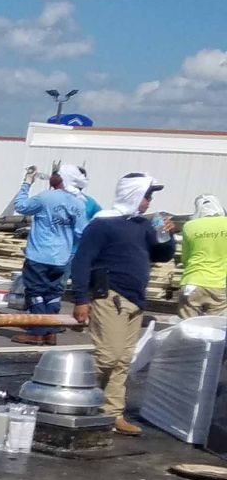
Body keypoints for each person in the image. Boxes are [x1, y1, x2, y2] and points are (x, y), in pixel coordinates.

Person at [69, 172, 177, 435]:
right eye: (146, 195)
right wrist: (81, 298)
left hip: (134, 300)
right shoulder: (103, 224)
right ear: (134, 194)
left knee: (122, 361)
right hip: (111, 297)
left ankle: (111, 412)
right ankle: (68, 396)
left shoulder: (142, 226)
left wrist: (166, 236)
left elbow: (162, 255)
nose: (148, 202)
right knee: (108, 356)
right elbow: (82, 261)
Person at [8, 162, 91, 344]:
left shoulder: (46, 197)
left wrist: (27, 183)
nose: (52, 176)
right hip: (62, 257)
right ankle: (50, 332)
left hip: (39, 254)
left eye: (56, 173)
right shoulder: (78, 204)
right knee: (53, 294)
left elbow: (21, 206)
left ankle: (37, 332)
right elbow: (82, 232)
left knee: (35, 293)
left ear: (61, 178)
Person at [179, 194, 227, 319]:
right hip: (218, 285)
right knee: (215, 328)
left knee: (186, 329)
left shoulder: (189, 226)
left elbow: (185, 259)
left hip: (192, 282)